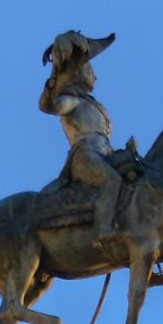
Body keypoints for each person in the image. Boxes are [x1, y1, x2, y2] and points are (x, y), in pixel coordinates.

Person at [39, 30, 122, 233]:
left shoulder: (93, 104)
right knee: (112, 180)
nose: (96, 76)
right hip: (84, 156)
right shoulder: (72, 100)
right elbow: (50, 106)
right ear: (81, 71)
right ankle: (104, 231)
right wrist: (53, 84)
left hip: (105, 154)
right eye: (92, 70)